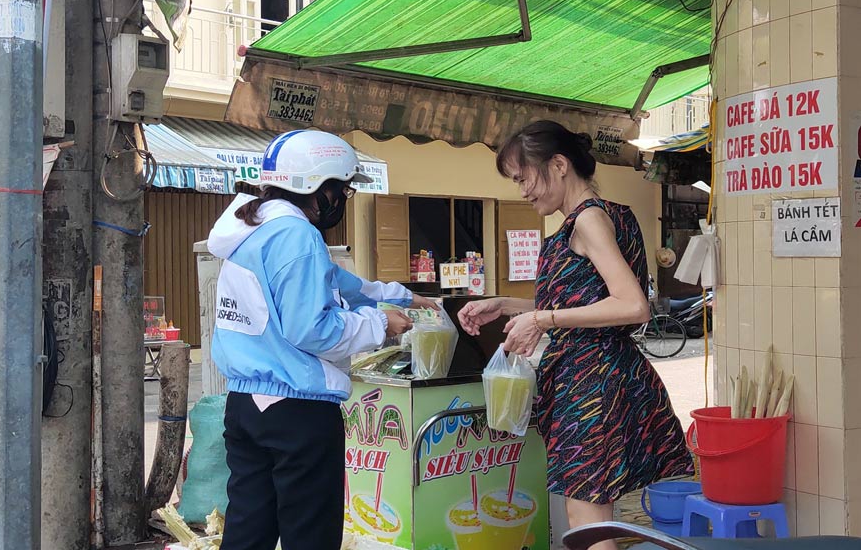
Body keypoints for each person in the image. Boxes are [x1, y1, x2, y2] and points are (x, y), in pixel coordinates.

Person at [458, 120, 693, 550]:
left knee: (587, 520)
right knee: (593, 514)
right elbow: (591, 303)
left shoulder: (587, 222)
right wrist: (508, 306)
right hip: (604, 375)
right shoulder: (610, 214)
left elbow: (632, 305)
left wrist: (542, 321)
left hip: (591, 384)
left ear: (560, 164)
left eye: (524, 176)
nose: (523, 190)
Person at [208, 130, 437, 550]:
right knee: (309, 535)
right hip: (298, 411)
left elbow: (335, 281)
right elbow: (313, 331)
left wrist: (402, 295)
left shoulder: (251, 228)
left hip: (245, 405)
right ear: (317, 188)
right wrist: (379, 323)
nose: (342, 201)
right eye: (341, 190)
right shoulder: (298, 236)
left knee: (248, 531)